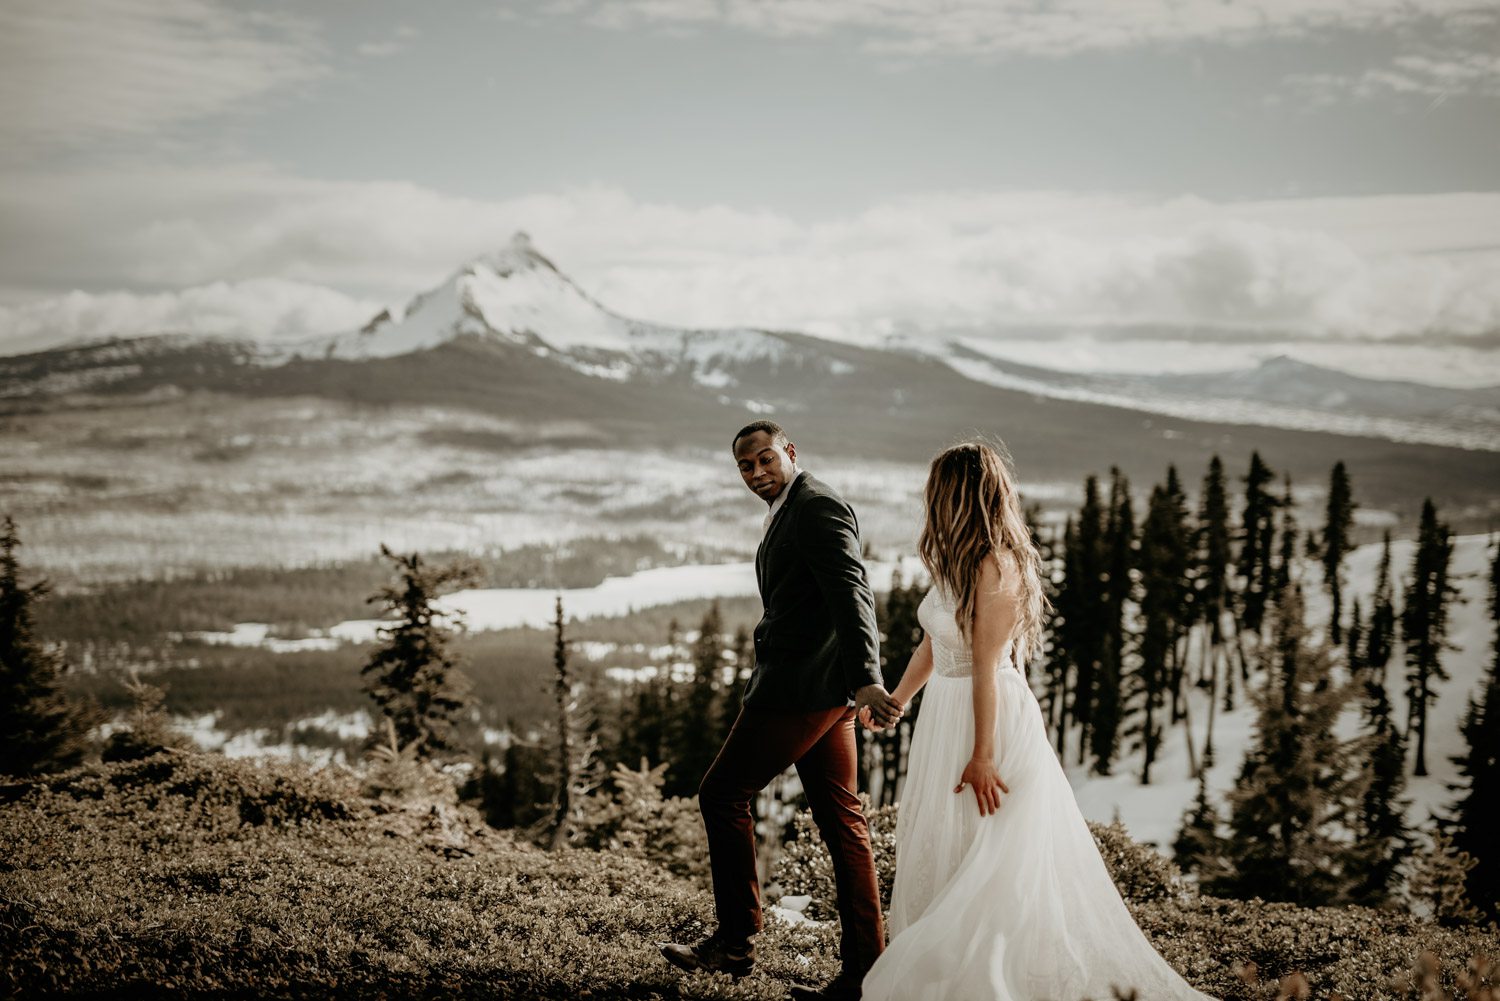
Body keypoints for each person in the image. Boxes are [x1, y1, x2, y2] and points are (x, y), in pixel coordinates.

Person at [860, 441, 1219, 1001]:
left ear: (965, 496)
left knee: (996, 858)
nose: (932, 502)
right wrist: (900, 699)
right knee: (948, 845)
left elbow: (985, 666)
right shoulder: (954, 558)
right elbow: (934, 643)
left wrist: (982, 756)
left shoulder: (996, 564)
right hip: (946, 714)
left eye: (941, 491)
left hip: (989, 719)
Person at [658, 419, 905, 1001]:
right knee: (845, 824)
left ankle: (737, 942)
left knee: (721, 794)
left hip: (800, 692)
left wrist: (867, 679)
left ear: (790, 452)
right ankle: (866, 972)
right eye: (745, 466)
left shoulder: (818, 506)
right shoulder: (792, 505)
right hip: (821, 690)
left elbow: (853, 593)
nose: (756, 473)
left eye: (766, 460)